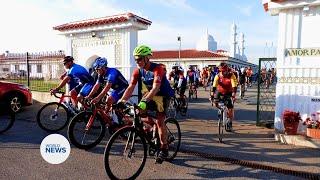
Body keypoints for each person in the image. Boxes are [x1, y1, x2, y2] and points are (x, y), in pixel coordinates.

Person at [118, 45, 174, 163]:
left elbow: (155, 88)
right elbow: (130, 87)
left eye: (139, 59)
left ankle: (164, 148)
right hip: (149, 94)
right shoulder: (138, 71)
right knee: (139, 114)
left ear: (147, 58)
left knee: (159, 121)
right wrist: (122, 101)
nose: (137, 61)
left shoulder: (158, 69)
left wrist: (144, 101)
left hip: (162, 95)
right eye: (136, 59)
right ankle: (152, 128)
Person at [210, 63, 238, 132]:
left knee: (230, 108)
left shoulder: (231, 75)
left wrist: (234, 95)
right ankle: (220, 109)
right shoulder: (218, 76)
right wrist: (211, 96)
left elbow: (234, 86)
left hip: (228, 92)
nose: (223, 73)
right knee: (215, 103)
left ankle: (229, 121)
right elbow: (214, 86)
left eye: (224, 71)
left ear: (227, 70)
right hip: (219, 91)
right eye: (221, 71)